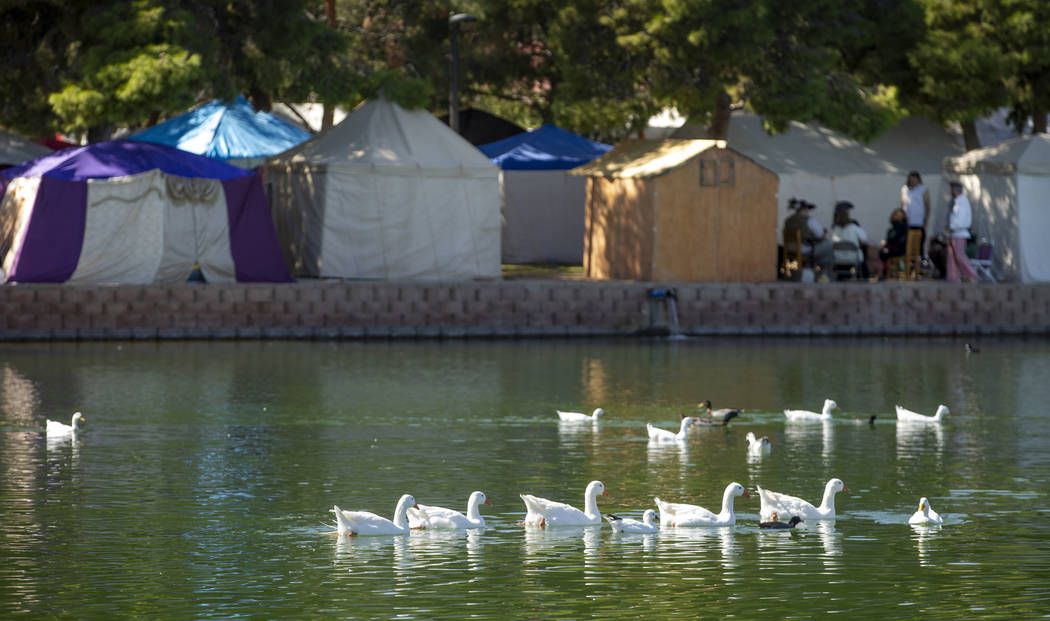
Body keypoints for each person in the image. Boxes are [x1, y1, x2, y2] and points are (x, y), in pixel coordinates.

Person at [783, 199, 833, 276]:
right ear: (805, 209)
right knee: (829, 246)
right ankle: (824, 274)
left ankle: (813, 272)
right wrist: (824, 234)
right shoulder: (809, 220)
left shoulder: (788, 220)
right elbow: (821, 236)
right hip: (805, 249)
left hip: (790, 249)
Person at [944, 181, 980, 283]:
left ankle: (972, 275)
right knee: (952, 256)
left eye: (951, 189)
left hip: (959, 233)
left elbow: (961, 221)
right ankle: (953, 277)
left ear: (954, 190)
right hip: (953, 233)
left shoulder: (963, 202)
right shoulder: (956, 201)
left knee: (960, 256)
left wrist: (950, 227)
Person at [828, 201, 869, 278]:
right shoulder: (854, 228)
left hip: (838, 258)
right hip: (853, 257)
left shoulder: (834, 229)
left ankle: (842, 277)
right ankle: (864, 277)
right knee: (863, 251)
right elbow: (864, 239)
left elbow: (831, 242)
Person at [900, 171, 930, 259]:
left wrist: (926, 220)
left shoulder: (923, 189)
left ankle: (920, 262)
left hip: (919, 222)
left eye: (914, 179)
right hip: (908, 222)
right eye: (911, 179)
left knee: (919, 244)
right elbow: (902, 204)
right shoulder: (905, 189)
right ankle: (909, 263)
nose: (913, 181)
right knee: (908, 244)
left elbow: (927, 205)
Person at [878, 208, 909, 278]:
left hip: (899, 249)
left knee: (883, 252)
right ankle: (887, 271)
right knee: (883, 251)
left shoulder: (902, 226)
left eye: (898, 215)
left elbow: (899, 240)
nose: (896, 216)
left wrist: (887, 243)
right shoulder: (894, 227)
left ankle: (886, 271)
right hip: (896, 248)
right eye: (895, 214)